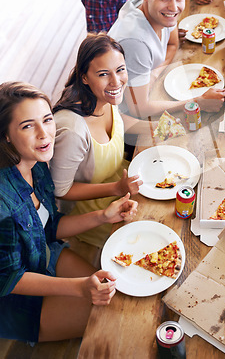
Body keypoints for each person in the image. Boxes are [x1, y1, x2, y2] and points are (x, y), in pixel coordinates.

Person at [0, 81, 138, 342]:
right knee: (111, 317)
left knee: (116, 289)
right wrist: (80, 287)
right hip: (14, 298)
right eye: (28, 125)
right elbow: (8, 278)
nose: (45, 134)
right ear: (6, 134)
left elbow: (49, 228)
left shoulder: (37, 164)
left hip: (45, 254)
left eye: (47, 120)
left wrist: (104, 216)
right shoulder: (2, 200)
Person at [50, 34, 143, 248]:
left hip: (124, 187)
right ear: (84, 77)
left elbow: (119, 123)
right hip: (92, 216)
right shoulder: (72, 130)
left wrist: (161, 128)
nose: (116, 81)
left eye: (120, 69)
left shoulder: (104, 97)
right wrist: (116, 188)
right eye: (103, 74)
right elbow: (60, 190)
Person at [108, 0, 225, 119]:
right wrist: (198, 101)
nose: (173, 7)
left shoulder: (160, 12)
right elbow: (139, 110)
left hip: (146, 93)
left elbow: (172, 44)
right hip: (121, 116)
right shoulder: (136, 43)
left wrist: (154, 73)